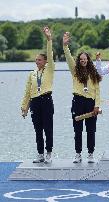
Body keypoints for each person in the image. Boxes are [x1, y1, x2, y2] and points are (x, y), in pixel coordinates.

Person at [63, 32, 102, 163]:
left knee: (91, 130)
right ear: (79, 61)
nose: (83, 61)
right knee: (78, 130)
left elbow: (98, 91)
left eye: (85, 59)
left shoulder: (93, 73)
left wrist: (97, 105)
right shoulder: (75, 71)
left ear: (88, 60)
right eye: (81, 59)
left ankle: (90, 154)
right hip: (78, 102)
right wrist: (65, 45)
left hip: (91, 103)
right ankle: (78, 154)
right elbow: (68, 58)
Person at [21, 26, 55, 164]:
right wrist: (24, 107)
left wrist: (48, 39)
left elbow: (50, 53)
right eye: (36, 60)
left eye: (39, 60)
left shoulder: (50, 69)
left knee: (48, 128)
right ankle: (40, 154)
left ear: (46, 61)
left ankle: (48, 153)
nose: (37, 62)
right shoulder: (32, 74)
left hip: (46, 100)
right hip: (35, 102)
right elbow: (27, 91)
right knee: (38, 130)